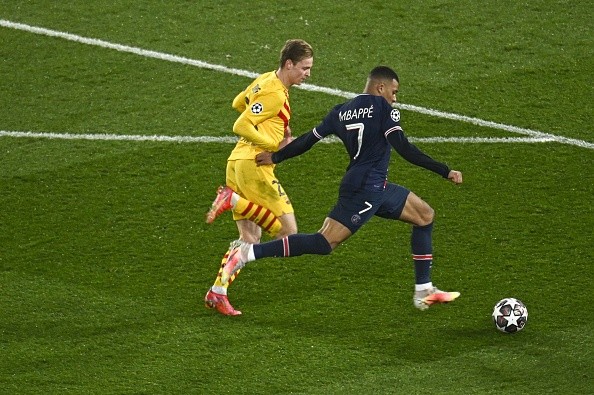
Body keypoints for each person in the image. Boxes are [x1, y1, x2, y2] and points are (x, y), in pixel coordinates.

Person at [222, 66, 463, 311]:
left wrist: (277, 157)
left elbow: (308, 139)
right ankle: (247, 253)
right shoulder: (383, 109)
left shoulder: (341, 111)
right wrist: (444, 170)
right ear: (381, 87)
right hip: (366, 189)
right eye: (394, 91)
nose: (395, 98)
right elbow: (404, 148)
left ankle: (424, 290)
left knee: (424, 215)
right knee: (324, 242)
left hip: (372, 185)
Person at [204, 39, 314, 316]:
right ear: (289, 64)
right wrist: (269, 143)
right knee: (289, 233)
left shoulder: (266, 80)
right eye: (304, 68)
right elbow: (240, 123)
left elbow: (238, 102)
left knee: (250, 239)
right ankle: (234, 201)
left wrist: (271, 129)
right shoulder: (275, 94)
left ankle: (218, 292)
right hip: (254, 167)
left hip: (236, 163)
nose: (308, 74)